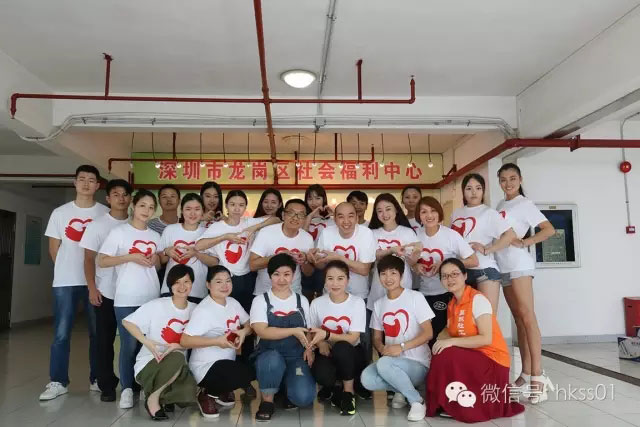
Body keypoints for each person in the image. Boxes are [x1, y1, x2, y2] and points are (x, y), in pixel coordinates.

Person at [39, 165, 109, 401]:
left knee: (97, 333)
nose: (86, 183)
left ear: (98, 185)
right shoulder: (60, 213)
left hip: (96, 282)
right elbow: (54, 248)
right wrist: (66, 268)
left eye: (91, 180)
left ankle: (97, 378)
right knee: (61, 333)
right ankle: (58, 381)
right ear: (75, 183)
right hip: (65, 281)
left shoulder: (104, 213)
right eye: (82, 179)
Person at [426, 258, 525, 422]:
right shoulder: (453, 303)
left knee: (448, 354)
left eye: (454, 274)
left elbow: (486, 338)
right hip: (473, 355)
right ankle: (445, 402)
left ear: (465, 275)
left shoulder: (478, 299)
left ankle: (458, 404)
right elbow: (448, 330)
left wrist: (450, 342)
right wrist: (438, 341)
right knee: (440, 352)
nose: (450, 279)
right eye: (445, 276)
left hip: (492, 360)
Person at [495, 163, 555, 403]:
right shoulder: (501, 205)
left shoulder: (524, 204)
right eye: (503, 179)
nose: (508, 183)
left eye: (512, 178)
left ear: (520, 179)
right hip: (503, 266)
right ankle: (526, 372)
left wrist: (525, 242)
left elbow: (549, 230)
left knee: (528, 318)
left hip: (519, 266)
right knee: (518, 319)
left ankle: (538, 377)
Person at [97, 189, 161, 409]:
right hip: (125, 297)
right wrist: (130, 257)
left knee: (148, 345)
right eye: (143, 205)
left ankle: (144, 385)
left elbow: (158, 264)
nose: (147, 210)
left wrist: (156, 258)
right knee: (128, 344)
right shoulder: (120, 232)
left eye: (151, 207)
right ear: (134, 205)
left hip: (151, 297)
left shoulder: (155, 236)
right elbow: (102, 261)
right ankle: (126, 388)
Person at [361, 255, 434, 422]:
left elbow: (428, 333)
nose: (388, 278)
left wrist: (400, 347)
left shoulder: (415, 297)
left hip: (418, 363)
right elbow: (376, 337)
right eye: (383, 274)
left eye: (393, 273)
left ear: (401, 275)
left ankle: (417, 401)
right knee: (366, 378)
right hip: (392, 362)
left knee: (383, 363)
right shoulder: (379, 304)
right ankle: (402, 389)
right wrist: (381, 348)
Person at [122, 264, 198, 420]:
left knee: (188, 394)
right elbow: (127, 322)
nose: (182, 286)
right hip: (151, 362)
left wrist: (179, 345)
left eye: (186, 282)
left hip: (178, 367)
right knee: (177, 356)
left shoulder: (197, 310)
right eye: (177, 282)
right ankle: (153, 398)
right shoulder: (158, 305)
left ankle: (165, 396)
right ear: (170, 285)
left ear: (192, 283)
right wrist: (147, 342)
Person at [79, 178, 132, 402]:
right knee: (104, 340)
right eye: (116, 194)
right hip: (106, 291)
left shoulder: (136, 223)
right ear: (108, 198)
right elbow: (88, 259)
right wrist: (92, 288)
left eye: (125, 194)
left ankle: (132, 383)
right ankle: (106, 385)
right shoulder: (97, 225)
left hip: (131, 292)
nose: (121, 198)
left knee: (132, 340)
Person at [181, 265, 254, 419]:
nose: (225, 285)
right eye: (219, 282)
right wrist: (216, 341)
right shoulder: (204, 310)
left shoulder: (232, 303)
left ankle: (222, 389)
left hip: (226, 362)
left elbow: (250, 324)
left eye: (228, 281)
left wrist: (243, 332)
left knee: (249, 370)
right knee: (243, 374)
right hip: (205, 367)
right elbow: (185, 340)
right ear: (208, 285)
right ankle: (206, 394)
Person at [250, 253, 316, 421]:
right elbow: (262, 331)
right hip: (269, 353)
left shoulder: (302, 300)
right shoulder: (261, 300)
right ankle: (267, 401)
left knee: (304, 397)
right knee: (271, 360)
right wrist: (293, 331)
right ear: (269, 276)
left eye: (287, 274)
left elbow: (308, 330)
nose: (281, 279)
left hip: (296, 356)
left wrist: (309, 349)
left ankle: (285, 388)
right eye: (276, 274)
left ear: (293, 275)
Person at [196, 190, 279, 314]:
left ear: (245, 207)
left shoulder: (248, 222)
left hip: (247, 278)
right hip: (226, 278)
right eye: (232, 204)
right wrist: (225, 237)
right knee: (224, 314)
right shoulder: (218, 226)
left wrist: (255, 227)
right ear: (226, 205)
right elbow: (198, 246)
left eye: (241, 205)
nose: (236, 209)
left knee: (246, 313)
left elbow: (276, 219)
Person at [413, 196, 479, 348]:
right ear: (418, 215)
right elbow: (408, 261)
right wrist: (415, 266)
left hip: (446, 293)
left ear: (439, 213)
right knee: (424, 338)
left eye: (433, 211)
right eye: (424, 212)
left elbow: (473, 260)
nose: (429, 215)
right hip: (422, 294)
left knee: (441, 336)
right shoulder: (415, 236)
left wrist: (446, 264)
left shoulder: (450, 235)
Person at [450, 173, 516, 311]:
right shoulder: (456, 213)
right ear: (463, 191)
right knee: (466, 318)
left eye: (478, 188)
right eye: (469, 188)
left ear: (483, 191)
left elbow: (510, 235)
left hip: (485, 270)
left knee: (487, 317)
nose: (474, 192)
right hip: (461, 271)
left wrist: (487, 250)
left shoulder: (489, 213)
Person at [309, 260, 367, 416]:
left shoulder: (357, 302)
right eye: (330, 278)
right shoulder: (317, 303)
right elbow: (312, 331)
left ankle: (348, 392)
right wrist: (321, 342)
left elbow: (353, 338)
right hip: (327, 351)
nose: (335, 283)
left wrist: (327, 335)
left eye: (340, 278)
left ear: (347, 280)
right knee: (322, 374)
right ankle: (334, 387)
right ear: (325, 280)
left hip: (351, 353)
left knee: (342, 347)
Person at [310, 202, 376, 301]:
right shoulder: (327, 232)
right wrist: (313, 258)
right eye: (341, 217)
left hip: (358, 296)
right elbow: (320, 265)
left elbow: (364, 270)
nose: (346, 221)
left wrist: (338, 258)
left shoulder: (366, 234)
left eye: (350, 216)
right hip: (330, 293)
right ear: (335, 219)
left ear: (357, 218)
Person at [159, 193, 218, 303]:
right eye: (188, 209)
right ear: (181, 211)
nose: (193, 213)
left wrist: (196, 254)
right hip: (171, 290)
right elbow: (161, 260)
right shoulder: (170, 230)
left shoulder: (207, 233)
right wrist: (167, 251)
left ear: (202, 211)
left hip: (198, 291)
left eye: (197, 209)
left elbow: (215, 262)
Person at [367, 193, 421, 310]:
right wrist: (391, 250)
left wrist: (416, 251)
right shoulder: (372, 233)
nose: (384, 214)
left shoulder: (407, 232)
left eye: (388, 209)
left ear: (396, 209)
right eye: (380, 211)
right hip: (378, 288)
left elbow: (412, 261)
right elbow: (370, 256)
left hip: (403, 285)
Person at [250, 198, 314, 296]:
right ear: (283, 215)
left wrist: (304, 261)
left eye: (301, 215)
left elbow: (309, 273)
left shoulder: (307, 238)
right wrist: (278, 257)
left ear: (305, 219)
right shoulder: (266, 233)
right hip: (265, 293)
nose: (295, 218)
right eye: (291, 213)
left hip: (293, 293)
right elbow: (252, 265)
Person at [301, 184, 335, 300]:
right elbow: (301, 236)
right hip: (306, 263)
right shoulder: (303, 219)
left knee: (323, 297)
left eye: (317, 198)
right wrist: (310, 216)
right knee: (306, 295)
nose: (314, 202)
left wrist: (335, 215)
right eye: (310, 199)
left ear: (324, 199)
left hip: (325, 264)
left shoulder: (332, 221)